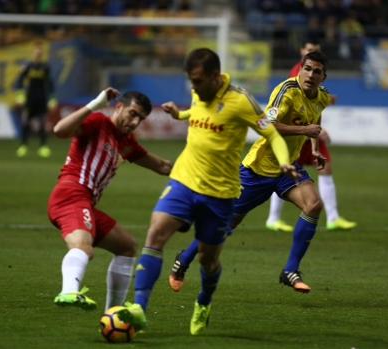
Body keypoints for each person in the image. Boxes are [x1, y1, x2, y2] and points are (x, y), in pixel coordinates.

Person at [117, 48, 296, 336]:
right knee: (156, 234)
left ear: (215, 77)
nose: (194, 87)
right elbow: (197, 112)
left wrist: (284, 161)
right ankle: (140, 308)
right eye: (191, 81)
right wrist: (180, 114)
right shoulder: (198, 92)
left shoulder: (241, 101)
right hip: (185, 180)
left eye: (198, 81)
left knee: (207, 259)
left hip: (221, 193)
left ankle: (203, 301)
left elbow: (271, 133)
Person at [169, 50, 334, 296]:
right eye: (307, 68)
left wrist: (314, 148)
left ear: (324, 77)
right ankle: (184, 259)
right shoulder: (286, 91)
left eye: (316, 71)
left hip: (288, 167)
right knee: (224, 226)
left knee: (313, 205)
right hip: (258, 169)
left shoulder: (322, 97)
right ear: (300, 68)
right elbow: (267, 125)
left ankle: (290, 270)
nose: (310, 74)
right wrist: (305, 131)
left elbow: (314, 122)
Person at [48, 88, 172, 311]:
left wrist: (200, 166)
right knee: (83, 247)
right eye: (132, 114)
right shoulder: (97, 122)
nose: (135, 122)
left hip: (85, 202)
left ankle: (113, 313)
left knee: (126, 247)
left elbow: (163, 166)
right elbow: (59, 130)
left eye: (140, 119)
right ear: (119, 107)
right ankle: (68, 292)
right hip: (71, 195)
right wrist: (95, 103)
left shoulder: (125, 142)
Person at [266, 39, 357, 233]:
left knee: (324, 169)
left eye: (315, 50)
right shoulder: (295, 78)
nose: (311, 74)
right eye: (309, 50)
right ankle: (273, 218)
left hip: (308, 132)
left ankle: (332, 217)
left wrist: (315, 140)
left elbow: (316, 106)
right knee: (283, 172)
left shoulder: (318, 83)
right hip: (293, 134)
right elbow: (271, 123)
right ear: (302, 53)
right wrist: (306, 129)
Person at [14, 42, 57, 158]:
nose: (38, 54)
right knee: (25, 121)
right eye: (36, 52)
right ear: (33, 54)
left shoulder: (45, 67)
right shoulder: (28, 66)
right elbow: (19, 81)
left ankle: (43, 146)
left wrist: (52, 98)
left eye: (40, 52)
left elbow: (50, 83)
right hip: (30, 98)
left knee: (43, 123)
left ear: (41, 54)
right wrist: (20, 95)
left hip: (42, 98)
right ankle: (23, 145)